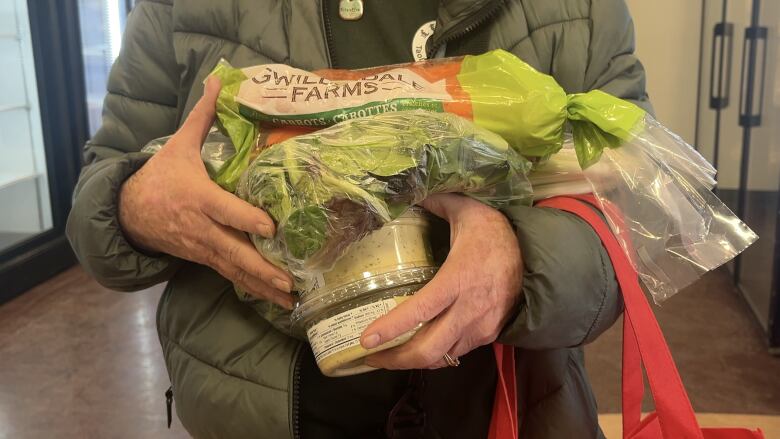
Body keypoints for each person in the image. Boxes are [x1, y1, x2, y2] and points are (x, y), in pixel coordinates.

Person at [66, 0, 651, 437]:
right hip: (255, 415)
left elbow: (638, 214)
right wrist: (137, 205)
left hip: (507, 412)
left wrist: (522, 264)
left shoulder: (575, 10)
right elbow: (101, 200)